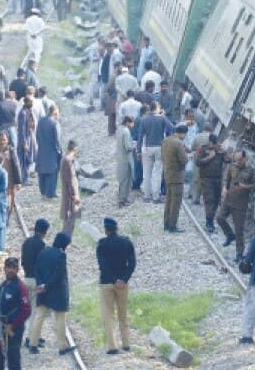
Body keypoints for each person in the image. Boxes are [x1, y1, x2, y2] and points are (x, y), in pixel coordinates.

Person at [29, 232, 76, 356]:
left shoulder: (43, 252)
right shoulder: (61, 255)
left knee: (39, 316)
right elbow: (59, 274)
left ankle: (33, 344)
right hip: (58, 291)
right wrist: (47, 285)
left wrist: (41, 284)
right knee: (60, 317)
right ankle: (62, 346)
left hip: (43, 290)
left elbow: (36, 270)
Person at [96, 218, 136, 354]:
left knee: (108, 314)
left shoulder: (102, 244)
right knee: (123, 314)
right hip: (122, 285)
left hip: (106, 283)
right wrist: (123, 279)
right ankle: (126, 343)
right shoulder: (126, 242)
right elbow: (132, 263)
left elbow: (103, 265)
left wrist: (113, 280)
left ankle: (112, 346)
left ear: (105, 229)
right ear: (117, 228)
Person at [217, 150, 255, 262]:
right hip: (228, 199)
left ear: (245, 159)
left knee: (239, 229)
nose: (238, 162)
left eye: (240, 160)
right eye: (236, 160)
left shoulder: (251, 170)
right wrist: (224, 188)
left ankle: (239, 253)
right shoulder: (232, 166)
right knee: (220, 218)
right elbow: (226, 179)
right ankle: (230, 235)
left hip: (241, 204)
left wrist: (244, 187)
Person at [0, 257, 31, 370]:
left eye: (14, 268)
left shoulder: (21, 287)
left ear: (17, 270)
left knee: (13, 359)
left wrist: (13, 326)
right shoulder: (2, 286)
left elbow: (26, 310)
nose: (11, 270)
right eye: (8, 267)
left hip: (14, 330)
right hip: (0, 327)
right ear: (4, 269)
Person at [21, 219, 49, 349]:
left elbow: (23, 261)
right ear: (44, 232)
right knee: (35, 311)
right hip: (36, 281)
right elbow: (42, 265)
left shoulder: (26, 242)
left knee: (27, 310)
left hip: (26, 278)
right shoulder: (42, 245)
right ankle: (31, 338)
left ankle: (32, 335)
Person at [137, 102, 172, 203]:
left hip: (147, 147)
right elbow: (171, 128)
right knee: (157, 172)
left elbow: (140, 136)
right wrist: (164, 116)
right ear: (157, 108)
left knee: (146, 172)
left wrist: (138, 151)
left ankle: (146, 195)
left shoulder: (144, 119)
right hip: (160, 147)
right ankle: (156, 196)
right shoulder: (161, 118)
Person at [162, 125, 189, 233]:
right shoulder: (178, 143)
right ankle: (173, 226)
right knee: (176, 202)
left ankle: (166, 223)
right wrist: (187, 154)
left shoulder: (166, 140)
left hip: (168, 174)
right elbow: (184, 160)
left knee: (168, 200)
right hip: (177, 176)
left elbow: (162, 157)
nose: (185, 136)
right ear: (181, 133)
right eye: (185, 134)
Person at [195, 133, 224, 233]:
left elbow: (228, 160)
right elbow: (197, 162)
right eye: (214, 143)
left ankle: (211, 218)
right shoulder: (203, 149)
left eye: (217, 143)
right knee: (209, 200)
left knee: (216, 200)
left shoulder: (219, 150)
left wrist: (225, 152)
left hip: (217, 180)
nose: (215, 145)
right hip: (206, 179)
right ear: (210, 142)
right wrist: (209, 157)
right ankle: (209, 222)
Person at [36, 105, 62, 199]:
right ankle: (50, 194)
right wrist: (59, 151)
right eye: (58, 113)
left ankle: (43, 193)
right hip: (52, 152)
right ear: (54, 112)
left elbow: (37, 136)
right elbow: (57, 140)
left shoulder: (41, 121)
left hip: (41, 150)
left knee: (42, 172)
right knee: (52, 173)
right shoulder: (55, 123)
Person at [0, 130, 22, 217]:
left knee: (9, 205)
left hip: (9, 182)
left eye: (4, 140)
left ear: (7, 140)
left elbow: (16, 165)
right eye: (0, 140)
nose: (2, 142)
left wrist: (18, 181)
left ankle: (6, 220)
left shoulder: (11, 150)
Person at [59, 141, 81, 236]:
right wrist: (75, 195)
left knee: (68, 219)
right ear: (75, 149)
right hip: (70, 196)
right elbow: (71, 180)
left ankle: (65, 238)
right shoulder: (68, 161)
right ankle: (65, 239)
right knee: (70, 219)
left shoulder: (64, 158)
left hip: (67, 193)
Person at [116, 116, 135, 207]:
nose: (132, 125)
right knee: (127, 180)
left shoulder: (119, 129)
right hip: (126, 159)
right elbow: (128, 147)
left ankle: (122, 198)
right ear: (127, 122)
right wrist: (134, 145)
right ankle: (123, 200)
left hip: (119, 158)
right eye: (132, 122)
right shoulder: (126, 131)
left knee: (122, 180)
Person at [17, 96, 37, 185]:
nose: (32, 103)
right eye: (31, 101)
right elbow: (21, 129)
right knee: (24, 159)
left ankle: (26, 177)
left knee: (29, 158)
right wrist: (24, 143)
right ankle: (23, 179)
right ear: (26, 102)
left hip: (29, 136)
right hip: (24, 138)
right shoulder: (23, 113)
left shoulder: (29, 111)